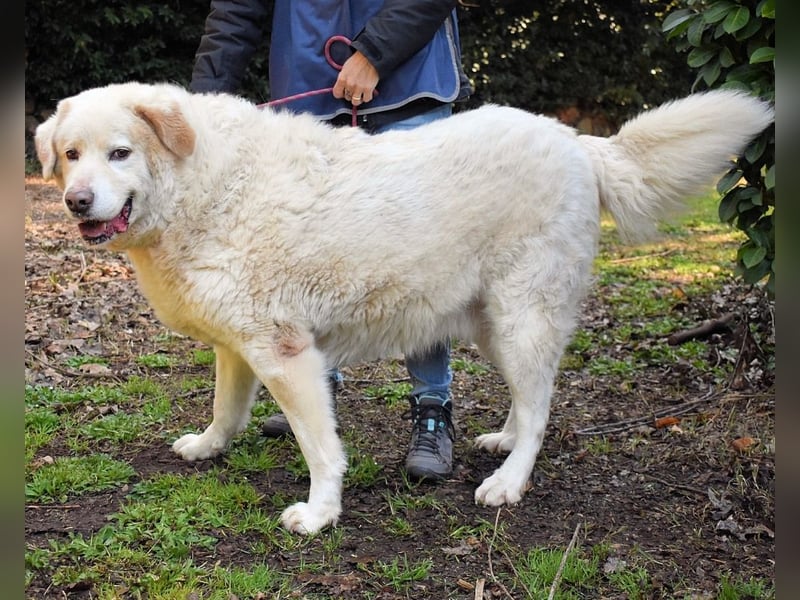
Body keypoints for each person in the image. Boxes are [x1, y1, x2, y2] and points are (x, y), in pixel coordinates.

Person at [190, 0, 473, 481]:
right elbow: (236, 13)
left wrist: (374, 54)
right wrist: (197, 108)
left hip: (411, 81)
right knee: (305, 251)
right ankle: (316, 387)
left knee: (423, 257)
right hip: (308, 93)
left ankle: (432, 404)